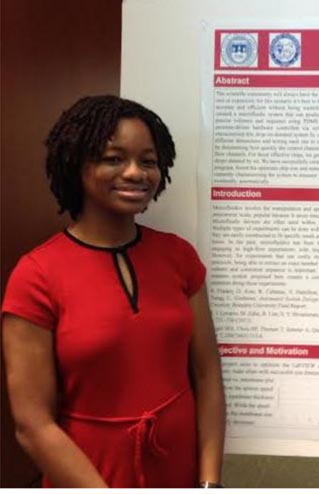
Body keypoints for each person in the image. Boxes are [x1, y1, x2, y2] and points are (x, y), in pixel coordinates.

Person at [2, 96, 225, 488]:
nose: (136, 172)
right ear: (76, 163)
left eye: (148, 161)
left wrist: (209, 483)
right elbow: (32, 424)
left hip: (179, 473)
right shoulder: (36, 275)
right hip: (87, 476)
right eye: (114, 158)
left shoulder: (179, 256)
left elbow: (207, 377)